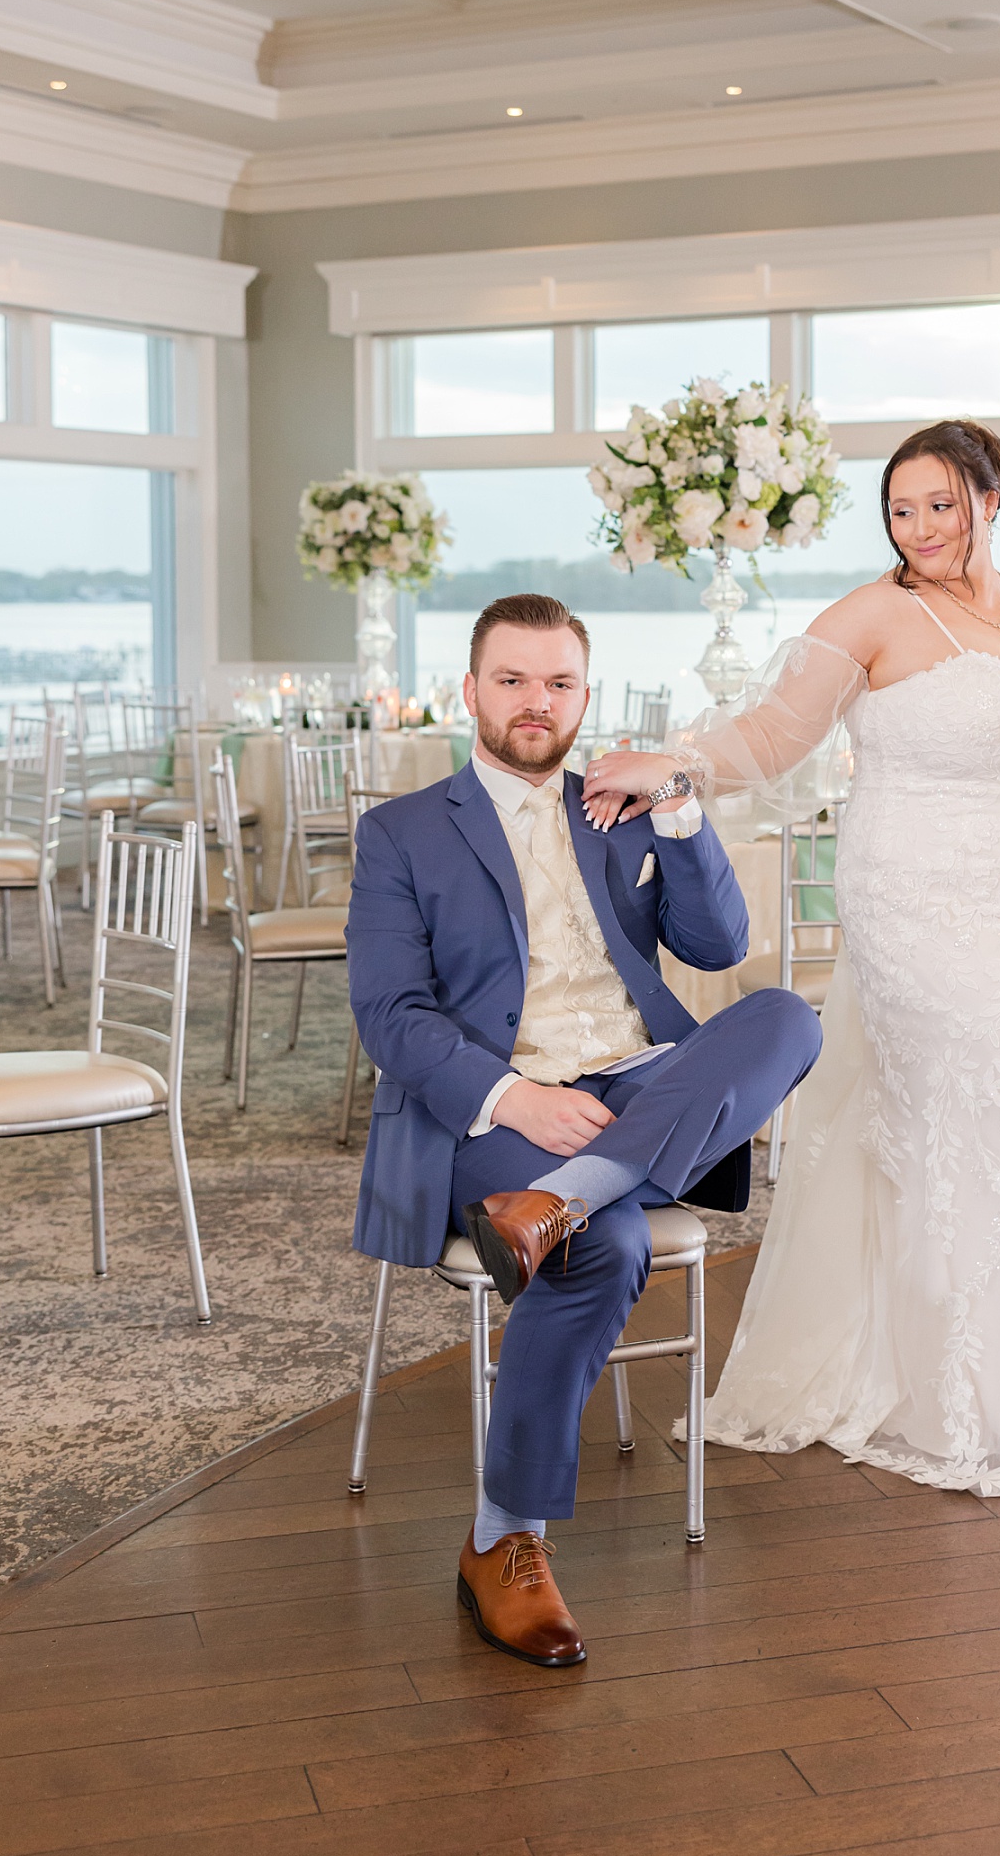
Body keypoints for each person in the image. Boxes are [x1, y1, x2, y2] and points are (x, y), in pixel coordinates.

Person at [584, 421, 1000, 1498]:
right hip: (920, 907)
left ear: (989, 500)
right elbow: (774, 732)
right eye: (900, 509)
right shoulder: (875, 614)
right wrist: (675, 763)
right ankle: (970, 1389)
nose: (919, 527)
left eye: (940, 504)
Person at [345, 593, 821, 1669]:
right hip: (494, 1105)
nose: (536, 701)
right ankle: (502, 1538)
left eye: (558, 682)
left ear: (585, 695)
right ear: (470, 691)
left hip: (639, 1083)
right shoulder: (401, 832)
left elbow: (717, 946)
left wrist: (679, 802)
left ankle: (563, 1197)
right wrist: (516, 1100)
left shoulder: (625, 809)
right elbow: (391, 1016)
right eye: (512, 679)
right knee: (598, 1247)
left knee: (787, 1018)